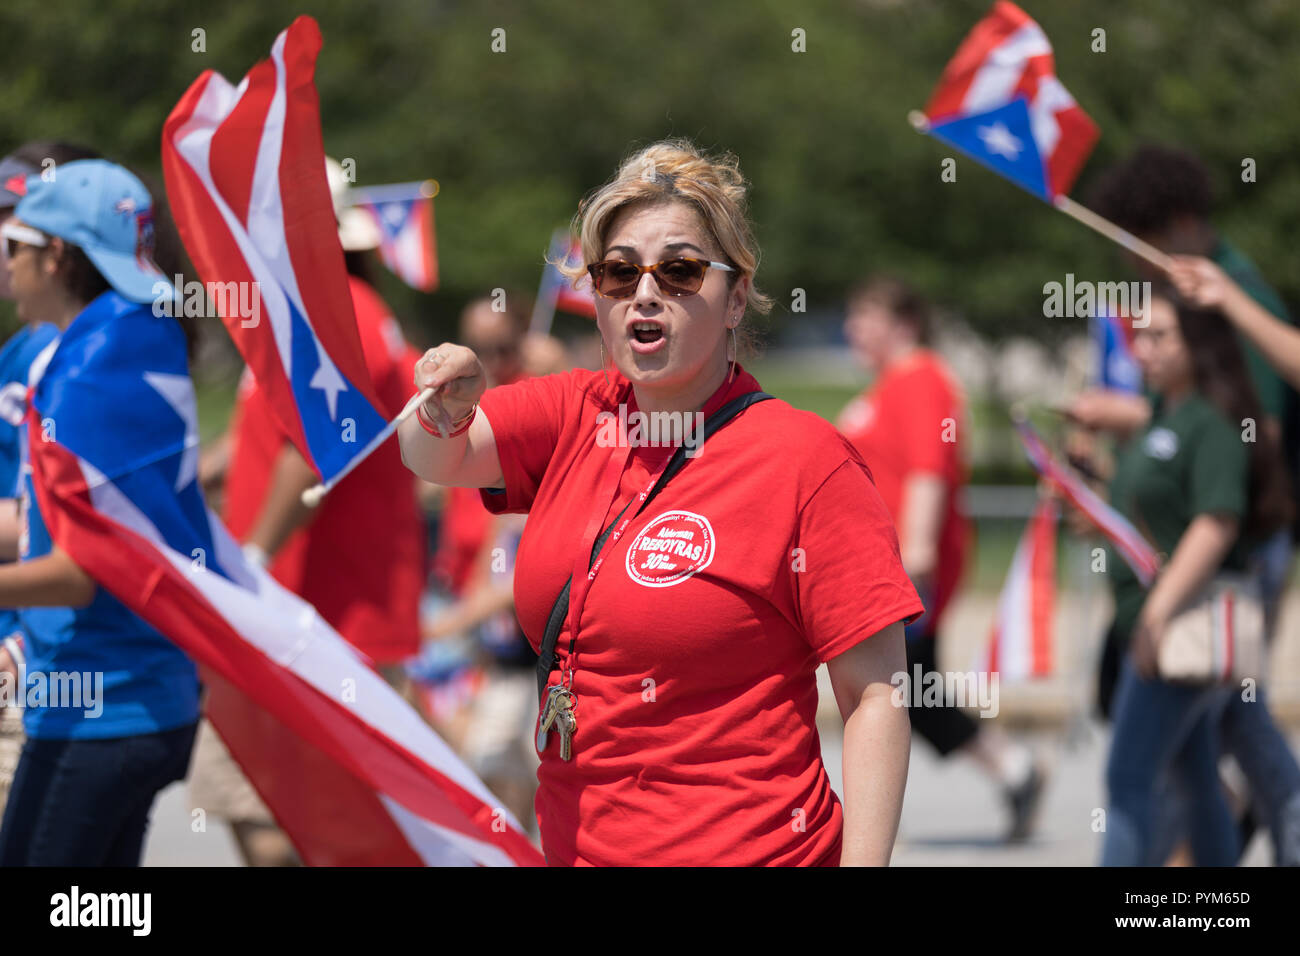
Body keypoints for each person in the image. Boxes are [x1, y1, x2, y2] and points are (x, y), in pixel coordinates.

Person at [399, 138, 923, 866]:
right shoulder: (572, 410)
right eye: (617, 273)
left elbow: (876, 698)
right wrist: (442, 408)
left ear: (736, 295)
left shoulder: (806, 460)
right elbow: (436, 459)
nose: (645, 292)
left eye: (679, 270)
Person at [189, 156, 427, 867]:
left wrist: (250, 561)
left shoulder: (338, 315)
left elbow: (314, 449)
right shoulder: (328, 313)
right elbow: (260, 440)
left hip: (310, 614)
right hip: (309, 612)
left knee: (291, 825)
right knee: (268, 813)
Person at [0, 159, 200, 865]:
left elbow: (84, 569)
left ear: (54, 255)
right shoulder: (122, 336)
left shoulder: (93, 364)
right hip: (123, 691)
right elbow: (45, 524)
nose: (5, 267)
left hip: (106, 698)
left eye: (12, 247)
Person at [837, 276, 1046, 842]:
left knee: (901, 689)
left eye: (865, 317)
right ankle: (1015, 770)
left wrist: (919, 554)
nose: (853, 328)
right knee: (910, 687)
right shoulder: (891, 384)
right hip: (884, 564)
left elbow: (929, 470)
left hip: (908, 564)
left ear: (902, 324)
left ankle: (1015, 769)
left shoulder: (921, 380)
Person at [1099, 289, 1293, 867]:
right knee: (1195, 775)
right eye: (1141, 336)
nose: (1144, 349)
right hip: (1164, 622)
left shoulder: (1211, 422)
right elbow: (1157, 514)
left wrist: (1156, 615)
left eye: (1161, 336)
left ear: (1199, 345)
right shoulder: (1165, 415)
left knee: (1127, 778)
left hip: (1180, 628)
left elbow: (1215, 522)